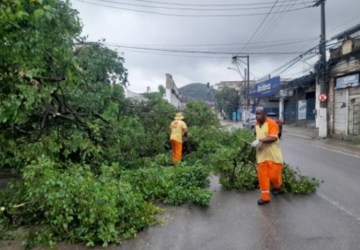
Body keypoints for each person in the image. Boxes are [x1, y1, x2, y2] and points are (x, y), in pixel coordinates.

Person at [251, 107, 283, 205]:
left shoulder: (272, 124)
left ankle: (277, 186)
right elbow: (257, 136)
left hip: (274, 156)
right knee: (262, 178)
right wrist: (255, 142)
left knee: (274, 176)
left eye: (259, 114)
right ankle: (265, 198)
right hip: (261, 155)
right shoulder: (256, 125)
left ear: (265, 115)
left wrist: (259, 141)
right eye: (256, 114)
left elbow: (273, 138)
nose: (257, 116)